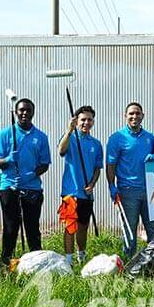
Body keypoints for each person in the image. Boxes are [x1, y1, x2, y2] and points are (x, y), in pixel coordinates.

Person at [0, 98, 50, 263]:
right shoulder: (5, 134)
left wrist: (31, 175)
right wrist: (8, 160)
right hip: (9, 187)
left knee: (32, 228)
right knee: (11, 227)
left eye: (28, 110)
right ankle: (6, 262)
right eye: (21, 110)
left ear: (33, 112)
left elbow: (44, 164)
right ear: (16, 112)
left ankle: (36, 263)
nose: (24, 113)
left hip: (32, 189)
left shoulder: (40, 137)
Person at [106, 102, 154, 258]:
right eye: (131, 114)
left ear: (143, 115)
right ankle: (129, 265)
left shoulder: (150, 138)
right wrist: (111, 185)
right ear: (125, 116)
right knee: (130, 231)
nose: (134, 116)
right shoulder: (117, 138)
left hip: (150, 191)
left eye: (137, 113)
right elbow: (110, 164)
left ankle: (153, 263)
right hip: (128, 191)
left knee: (153, 230)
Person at [58, 105, 103, 264]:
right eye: (83, 119)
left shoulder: (96, 144)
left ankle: (81, 257)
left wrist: (92, 184)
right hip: (70, 192)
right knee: (70, 227)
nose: (86, 123)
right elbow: (61, 151)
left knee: (83, 226)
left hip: (87, 193)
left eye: (89, 119)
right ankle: (68, 260)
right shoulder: (70, 137)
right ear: (76, 121)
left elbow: (98, 167)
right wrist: (69, 131)